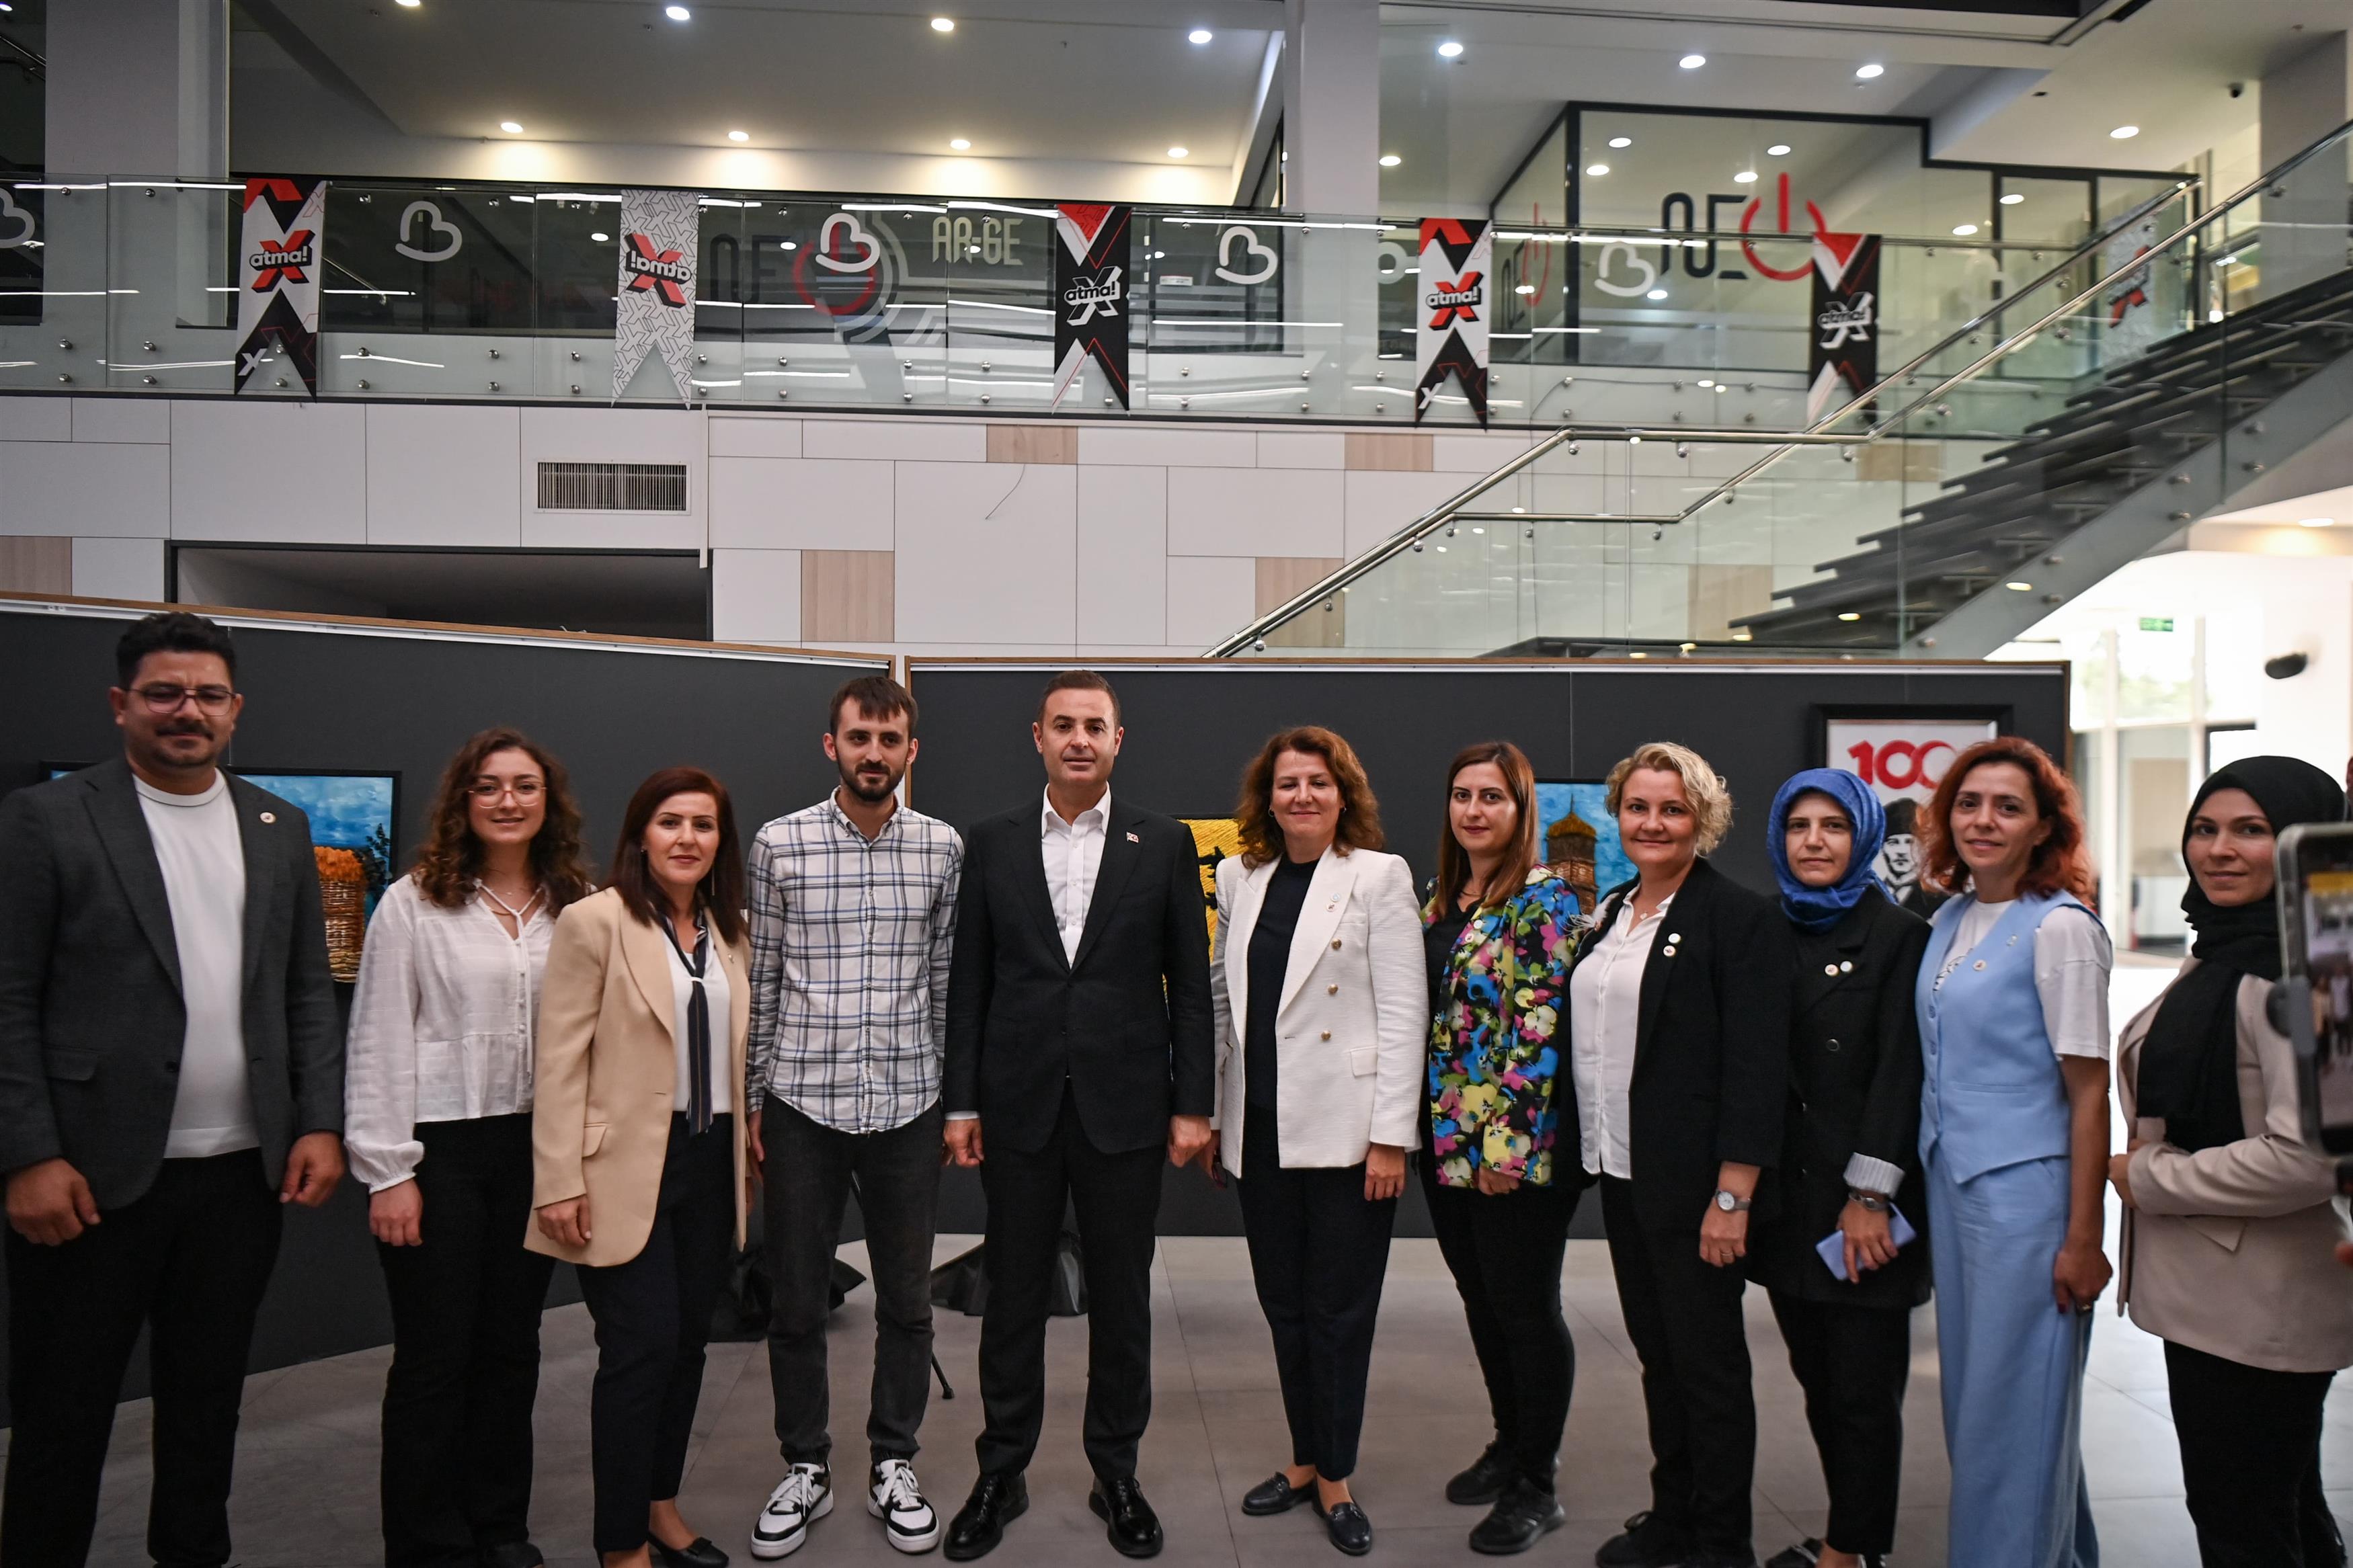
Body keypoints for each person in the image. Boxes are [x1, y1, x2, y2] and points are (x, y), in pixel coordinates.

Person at [0, 610, 346, 1568]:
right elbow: (8, 994)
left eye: (207, 695)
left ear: (236, 709)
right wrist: (27, 1153)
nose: (186, 711)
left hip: (239, 1179)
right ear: (122, 704)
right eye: (164, 693)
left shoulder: (278, 825)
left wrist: (319, 1120)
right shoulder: (47, 819)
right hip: (88, 1181)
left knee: (206, 1404)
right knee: (62, 1414)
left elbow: (306, 989)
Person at [939, 669, 1215, 1562]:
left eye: (1095, 725)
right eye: (1063, 724)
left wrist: (1193, 1103)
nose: (1079, 739)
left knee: (1122, 1300)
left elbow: (1190, 988)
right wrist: (962, 1100)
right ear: (1038, 736)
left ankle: (1116, 1472)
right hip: (1018, 1107)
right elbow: (969, 983)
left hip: (1125, 1109)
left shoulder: (1162, 841)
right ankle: (1001, 1471)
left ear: (1117, 740)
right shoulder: (992, 841)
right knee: (1012, 1298)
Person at [346, 727, 594, 1568]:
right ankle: (427, 1542)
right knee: (434, 1356)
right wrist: (388, 1169)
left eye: (524, 785)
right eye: (487, 785)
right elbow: (378, 1036)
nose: (507, 800)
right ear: (463, 799)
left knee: (511, 1346)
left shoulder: (576, 902)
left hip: (536, 1147)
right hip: (437, 1150)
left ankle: (497, 1525)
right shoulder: (414, 902)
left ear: (548, 801)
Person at [2112, 757, 2353, 1567]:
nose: (2217, 849)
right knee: (2281, 1510)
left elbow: (2308, 1155)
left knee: (2242, 1524)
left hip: (2261, 1305)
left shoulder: (2304, 972)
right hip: (2225, 1299)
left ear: (2302, 841)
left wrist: (2148, 1177)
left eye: (2250, 830)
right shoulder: (2227, 949)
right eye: (2203, 828)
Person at [744, 676, 962, 1560]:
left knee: (907, 1301)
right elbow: (762, 978)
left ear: (912, 750)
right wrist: (754, 1100)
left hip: (908, 1104)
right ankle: (805, 1464)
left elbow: (945, 981)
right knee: (796, 1300)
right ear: (830, 744)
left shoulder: (941, 847)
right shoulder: (778, 843)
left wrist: (952, 1100)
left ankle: (892, 1460)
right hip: (801, 1102)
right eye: (859, 737)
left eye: (890, 738)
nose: (875, 753)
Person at [530, 768, 755, 1568]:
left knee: (689, 1343)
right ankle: (620, 1542)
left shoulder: (731, 931)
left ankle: (661, 1505)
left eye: (704, 824)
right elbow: (558, 1060)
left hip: (709, 1161)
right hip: (620, 1169)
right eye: (670, 821)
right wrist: (557, 1178)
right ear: (640, 834)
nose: (687, 837)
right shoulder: (595, 921)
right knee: (640, 1350)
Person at [1207, 728, 1423, 1558]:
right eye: (1287, 782)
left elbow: (1404, 1012)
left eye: (1318, 782)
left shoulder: (1378, 875)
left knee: (1338, 1311)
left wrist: (1389, 1138)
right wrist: (1218, 1114)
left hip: (1347, 1135)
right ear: (1266, 797)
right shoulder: (1241, 876)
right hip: (1260, 1130)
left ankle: (1335, 1474)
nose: (1301, 795)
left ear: (1343, 794)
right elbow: (1223, 1003)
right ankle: (1303, 1457)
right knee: (1285, 1305)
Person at [1581, 741, 1793, 1568]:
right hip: (1623, 1172)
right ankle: (1672, 1515)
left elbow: (1755, 1067)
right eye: (1637, 806)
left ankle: (1720, 1542)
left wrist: (1731, 1196)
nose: (1652, 822)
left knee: (1706, 1369)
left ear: (1701, 819)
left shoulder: (1737, 918)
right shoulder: (1612, 911)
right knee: (1658, 1358)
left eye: (1671, 808)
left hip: (1698, 1188)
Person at [1912, 737, 2110, 1568]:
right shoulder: (1948, 917)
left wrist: (2082, 1238)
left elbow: (2089, 1093)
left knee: (2013, 1412)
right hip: (1954, 1188)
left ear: (2042, 827)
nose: (1982, 820)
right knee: (1985, 1407)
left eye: (2007, 807)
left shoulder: (2060, 927)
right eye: (1967, 803)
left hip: (2028, 1202)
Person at [1745, 770, 1932, 1568]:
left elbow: (1900, 1072)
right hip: (1786, 1205)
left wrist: (1869, 1193)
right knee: (1818, 1380)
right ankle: (1847, 1540)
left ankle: (1848, 1549)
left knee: (1861, 1391)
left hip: (1860, 1203)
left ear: (1862, 837)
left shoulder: (1899, 935)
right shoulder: (1762, 927)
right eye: (1798, 825)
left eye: (1832, 825)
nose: (1814, 840)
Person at [1421, 741, 1586, 1556]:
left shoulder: (1544, 899)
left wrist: (1504, 1148)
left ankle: (1536, 1482)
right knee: (1482, 1300)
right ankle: (1508, 1441)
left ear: (1521, 808)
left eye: (1491, 796)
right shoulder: (1440, 898)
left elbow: (1536, 1026)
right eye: (1462, 794)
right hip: (1444, 1139)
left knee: (1525, 1307)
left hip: (1515, 1148)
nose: (1473, 809)